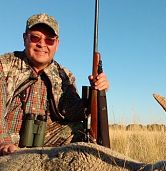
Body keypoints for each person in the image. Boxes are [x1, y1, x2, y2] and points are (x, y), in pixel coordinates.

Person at [0, 13, 109, 156]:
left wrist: (97, 92)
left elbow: (73, 113)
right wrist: (3, 141)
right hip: (8, 140)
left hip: (46, 141)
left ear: (57, 44)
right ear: (24, 38)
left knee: (81, 132)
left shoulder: (64, 75)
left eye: (49, 40)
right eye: (35, 37)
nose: (42, 44)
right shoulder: (4, 65)